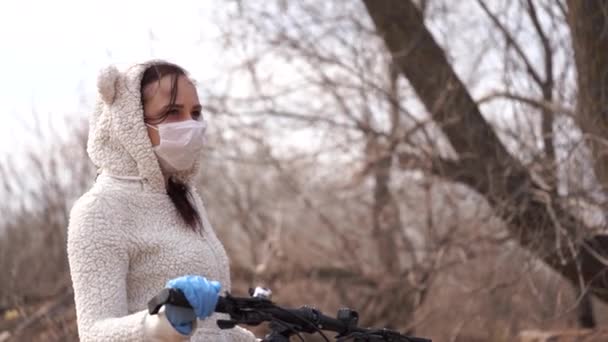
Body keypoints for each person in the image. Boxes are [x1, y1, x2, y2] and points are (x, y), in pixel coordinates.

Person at [67, 60, 258, 341]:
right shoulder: (99, 210)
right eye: (171, 112)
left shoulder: (186, 199)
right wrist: (157, 325)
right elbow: (95, 334)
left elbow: (211, 328)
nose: (189, 125)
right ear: (129, 122)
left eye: (195, 113)